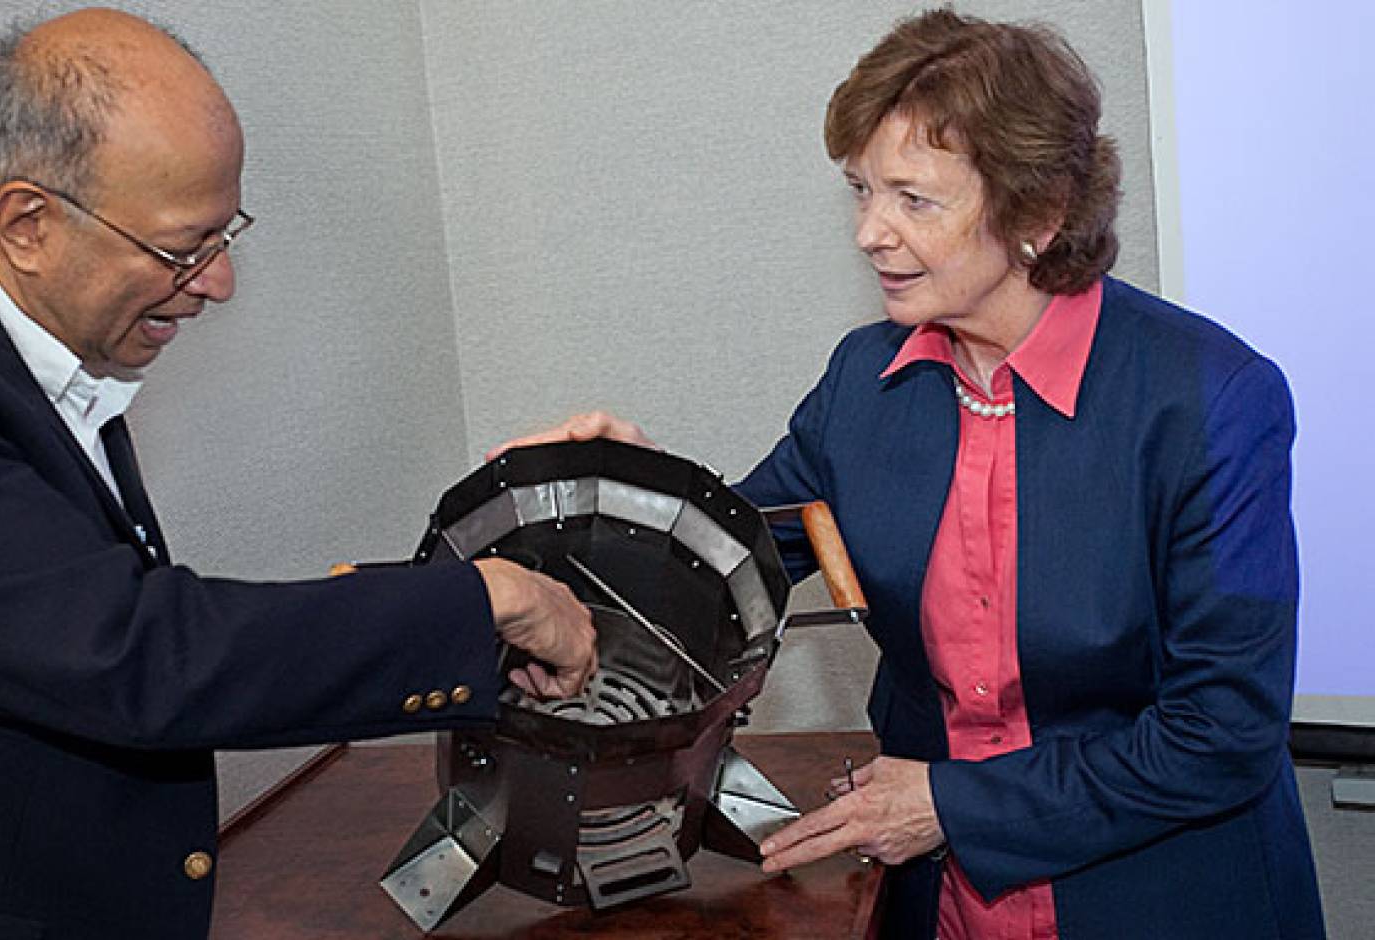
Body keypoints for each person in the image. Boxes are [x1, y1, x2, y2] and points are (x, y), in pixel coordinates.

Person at [0, 9, 596, 939]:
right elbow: (133, 655)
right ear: (28, 221)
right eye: (182, 249)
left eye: (224, 235)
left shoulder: (31, 354)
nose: (217, 283)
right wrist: (478, 599)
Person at [495, 10, 1324, 939]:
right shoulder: (864, 384)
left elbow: (1224, 734)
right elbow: (726, 567)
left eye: (912, 200)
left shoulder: (1211, 401)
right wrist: (630, 492)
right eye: (860, 191)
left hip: (1162, 900)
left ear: (1038, 215)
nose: (869, 234)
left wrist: (950, 806)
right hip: (934, 902)